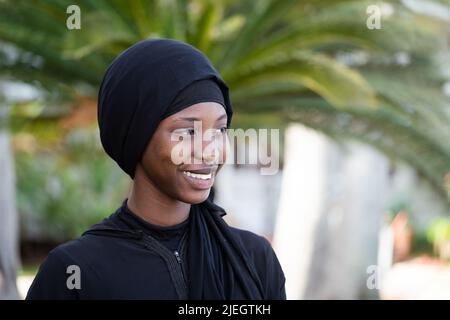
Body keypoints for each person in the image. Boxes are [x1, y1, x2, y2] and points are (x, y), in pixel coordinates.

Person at [26, 38, 286, 300]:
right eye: (188, 131)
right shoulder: (75, 271)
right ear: (137, 135)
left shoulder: (253, 260)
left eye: (219, 130)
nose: (210, 150)